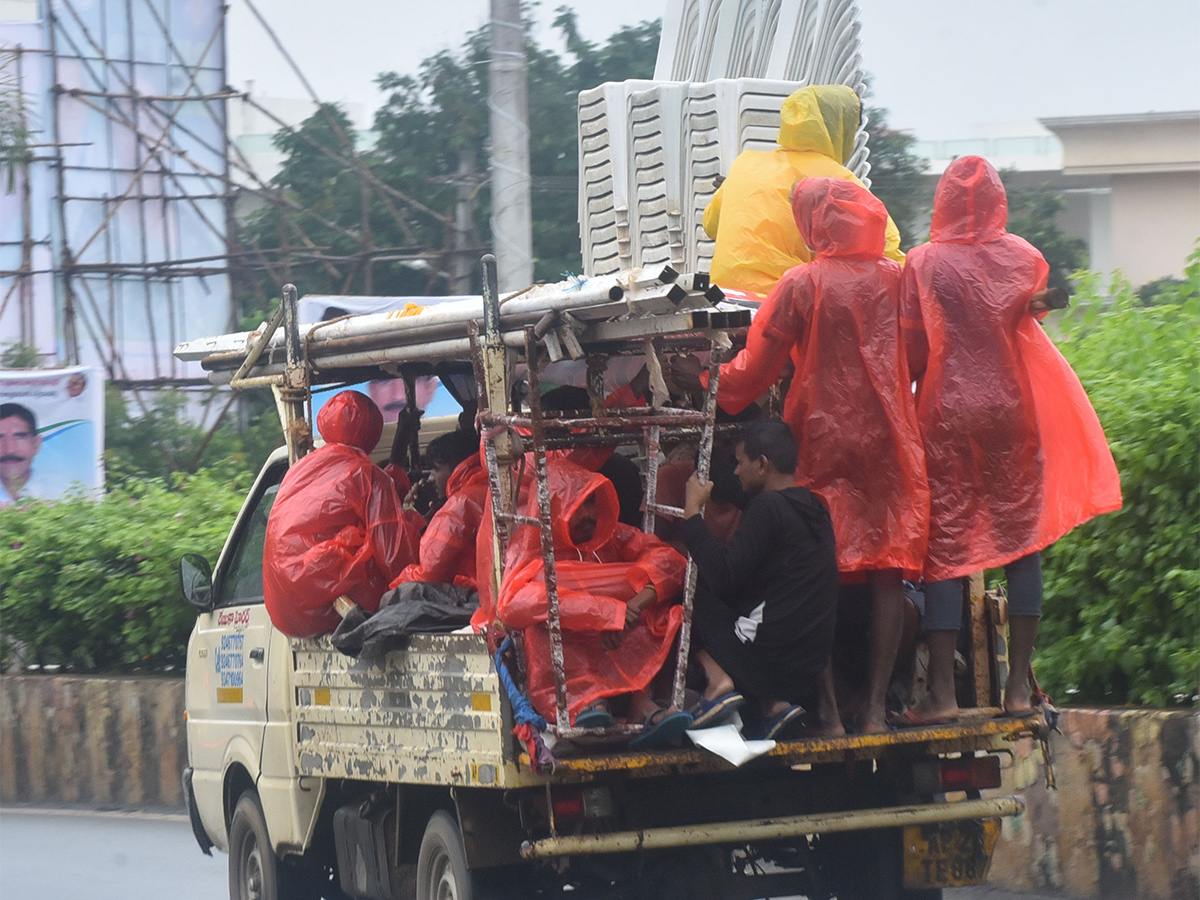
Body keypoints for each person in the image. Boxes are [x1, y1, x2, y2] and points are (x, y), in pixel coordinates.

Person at [898, 156, 1121, 723]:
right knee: (1023, 543)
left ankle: (943, 697)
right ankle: (1018, 689)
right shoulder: (1025, 258)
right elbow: (1030, 320)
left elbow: (911, 346)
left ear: (941, 201)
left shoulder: (922, 263)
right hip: (1010, 408)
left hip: (946, 409)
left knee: (945, 550)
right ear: (999, 200)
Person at [706, 178, 929, 734]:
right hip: (888, 441)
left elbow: (756, 366)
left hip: (822, 437)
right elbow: (921, 352)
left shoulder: (802, 282)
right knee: (886, 575)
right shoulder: (898, 280)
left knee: (814, 573)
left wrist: (713, 380)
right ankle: (876, 707)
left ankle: (827, 710)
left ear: (812, 224)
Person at [495, 458, 692, 748]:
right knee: (539, 620)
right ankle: (584, 704)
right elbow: (511, 605)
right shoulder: (528, 548)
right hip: (573, 669)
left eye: (591, 503)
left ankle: (643, 704)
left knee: (659, 599)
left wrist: (634, 606)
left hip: (619, 644)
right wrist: (607, 612)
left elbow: (671, 562)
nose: (589, 514)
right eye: (578, 505)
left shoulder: (611, 536)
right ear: (553, 507)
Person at [680, 420, 840, 739]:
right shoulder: (816, 509)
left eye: (740, 463)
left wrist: (691, 513)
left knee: (687, 590)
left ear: (762, 464)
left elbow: (723, 578)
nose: (736, 472)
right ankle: (773, 705)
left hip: (771, 661)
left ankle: (718, 679)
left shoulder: (768, 508)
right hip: (807, 670)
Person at [702, 84, 904, 297]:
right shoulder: (839, 181)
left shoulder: (746, 164)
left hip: (724, 297)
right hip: (784, 304)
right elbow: (887, 251)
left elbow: (710, 226)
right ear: (842, 129)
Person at [263, 391, 421, 638]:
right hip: (334, 606)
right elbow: (394, 556)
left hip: (285, 610)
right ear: (374, 431)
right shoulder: (369, 477)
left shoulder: (298, 470)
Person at [392, 430, 488, 590]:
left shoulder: (460, 504)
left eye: (436, 469)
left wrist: (395, 585)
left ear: (456, 467)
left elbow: (429, 574)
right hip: (484, 588)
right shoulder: (484, 488)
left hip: (475, 592)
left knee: (400, 594)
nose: (430, 478)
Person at [0, 403, 47, 506]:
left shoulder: (61, 492)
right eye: (0, 438)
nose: (10, 450)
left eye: (20, 437)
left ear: (36, 444)